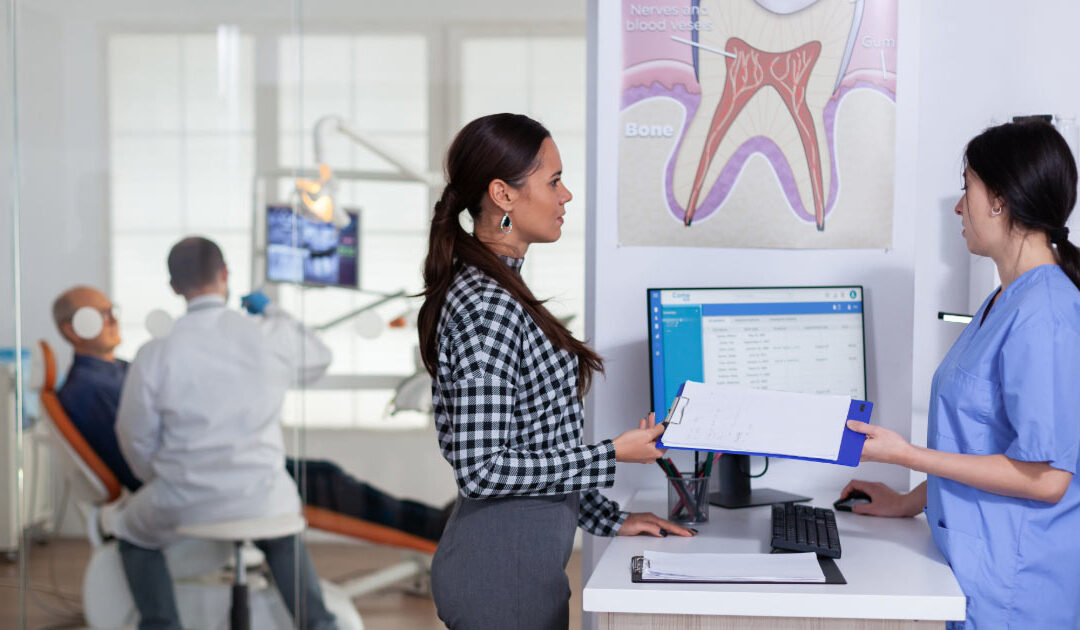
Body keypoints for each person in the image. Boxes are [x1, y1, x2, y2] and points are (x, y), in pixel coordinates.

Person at [417, 113, 693, 630]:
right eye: (554, 181)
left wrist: (610, 518)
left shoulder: (502, 290)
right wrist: (613, 452)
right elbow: (484, 470)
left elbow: (538, 443)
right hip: (499, 571)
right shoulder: (486, 305)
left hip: (524, 562)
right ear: (503, 194)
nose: (565, 196)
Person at [840, 121, 1080, 629]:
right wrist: (909, 500)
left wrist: (905, 455)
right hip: (974, 571)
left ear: (999, 200)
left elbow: (1050, 478)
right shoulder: (1004, 301)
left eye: (965, 187)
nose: (958, 207)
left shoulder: (1047, 316)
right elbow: (980, 441)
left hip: (1017, 591)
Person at [50, 285, 450, 543]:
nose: (113, 319)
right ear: (72, 329)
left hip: (213, 464)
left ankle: (436, 524)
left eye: (112, 309)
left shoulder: (121, 369)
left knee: (326, 473)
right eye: (100, 314)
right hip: (202, 477)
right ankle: (437, 529)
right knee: (326, 480)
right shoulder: (87, 388)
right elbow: (134, 457)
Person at [101, 236, 339, 630]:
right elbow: (320, 356)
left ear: (174, 287)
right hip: (262, 494)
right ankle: (320, 624)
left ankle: (162, 625)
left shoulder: (155, 353)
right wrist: (272, 311)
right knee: (281, 530)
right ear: (225, 274)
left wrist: (156, 478)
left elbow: (134, 435)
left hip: (185, 497)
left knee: (129, 531)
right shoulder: (266, 335)